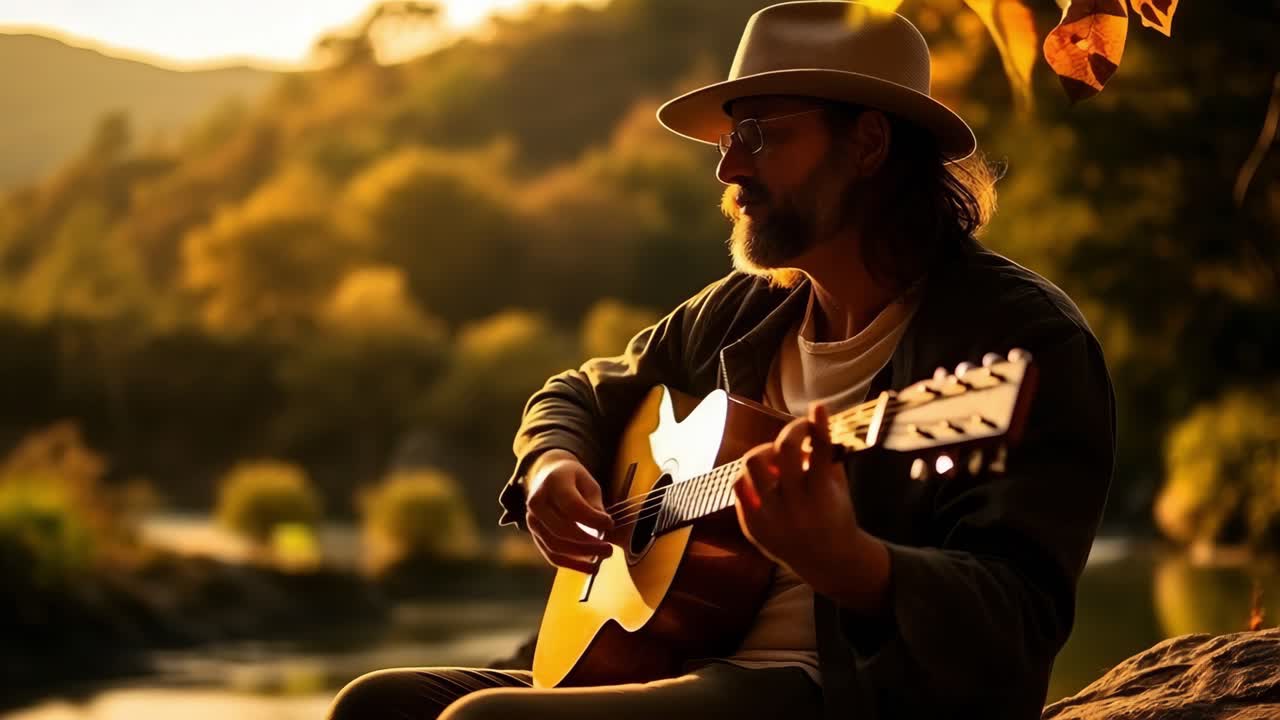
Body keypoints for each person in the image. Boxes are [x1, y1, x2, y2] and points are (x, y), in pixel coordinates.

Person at [326, 2, 1115, 718]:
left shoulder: (1016, 339)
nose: (728, 168)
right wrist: (550, 464)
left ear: (869, 143)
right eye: (733, 137)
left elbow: (1021, 619)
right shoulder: (747, 311)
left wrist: (857, 566)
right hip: (667, 659)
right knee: (373, 706)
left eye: (762, 135)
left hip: (839, 692)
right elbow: (581, 390)